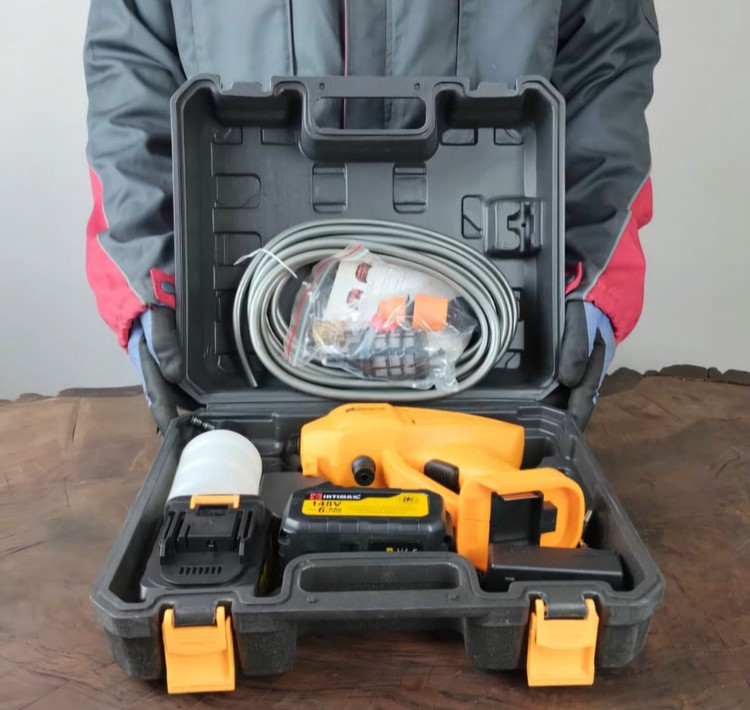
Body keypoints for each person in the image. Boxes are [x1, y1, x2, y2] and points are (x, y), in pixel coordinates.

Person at [84, 0, 660, 433]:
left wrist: (593, 274)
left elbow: (607, 64)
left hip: (491, 388)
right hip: (244, 380)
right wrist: (150, 277)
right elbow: (130, 73)